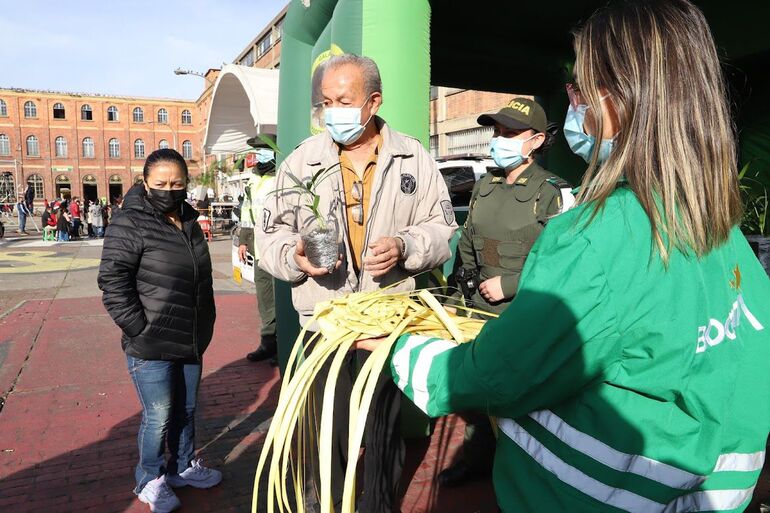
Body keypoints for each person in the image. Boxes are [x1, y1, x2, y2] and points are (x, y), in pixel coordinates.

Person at [377, 1, 770, 511]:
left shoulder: (593, 236)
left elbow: (502, 372)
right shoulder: (720, 226)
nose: (574, 105)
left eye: (580, 89)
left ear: (622, 100)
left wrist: (398, 350)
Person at [258, 54, 457, 513]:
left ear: (373, 102)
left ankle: (378, 506)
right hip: (324, 323)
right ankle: (324, 502)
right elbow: (270, 231)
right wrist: (295, 256)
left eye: (343, 101)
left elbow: (442, 228)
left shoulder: (413, 158)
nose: (333, 113)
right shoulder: (303, 161)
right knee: (328, 429)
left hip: (385, 324)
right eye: (326, 102)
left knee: (383, 430)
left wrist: (406, 246)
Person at [438, 98, 574, 488]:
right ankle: (478, 456)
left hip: (522, 313)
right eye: (497, 133)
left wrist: (511, 285)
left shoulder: (554, 194)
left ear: (534, 141)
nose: (499, 141)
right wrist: (456, 291)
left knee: (521, 399)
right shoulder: (485, 185)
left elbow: (564, 263)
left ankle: (524, 475)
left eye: (510, 134)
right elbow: (468, 242)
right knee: (479, 393)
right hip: (476, 311)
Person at [97, 149, 220, 513]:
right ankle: (148, 479)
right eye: (161, 184)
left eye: (177, 184)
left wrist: (205, 322)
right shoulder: (129, 222)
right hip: (150, 343)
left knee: (186, 409)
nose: (170, 190)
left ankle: (182, 466)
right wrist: (139, 327)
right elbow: (112, 281)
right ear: (145, 184)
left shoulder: (190, 221)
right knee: (158, 416)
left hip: (191, 337)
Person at [238, 135, 279, 365]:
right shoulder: (254, 178)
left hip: (277, 247)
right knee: (264, 298)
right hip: (258, 247)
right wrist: (244, 240)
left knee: (280, 298)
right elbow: (247, 210)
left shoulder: (282, 175)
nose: (260, 154)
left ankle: (284, 346)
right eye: (257, 151)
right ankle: (268, 342)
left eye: (264, 150)